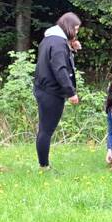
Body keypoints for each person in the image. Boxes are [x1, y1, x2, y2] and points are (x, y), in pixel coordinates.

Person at [33, 12, 81, 169]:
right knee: (46, 130)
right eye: (76, 29)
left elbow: (53, 61)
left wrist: (71, 48)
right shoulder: (59, 44)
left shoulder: (48, 39)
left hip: (42, 88)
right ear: (69, 27)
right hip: (51, 92)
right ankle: (44, 166)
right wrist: (71, 92)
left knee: (44, 129)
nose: (76, 32)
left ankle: (43, 164)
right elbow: (60, 69)